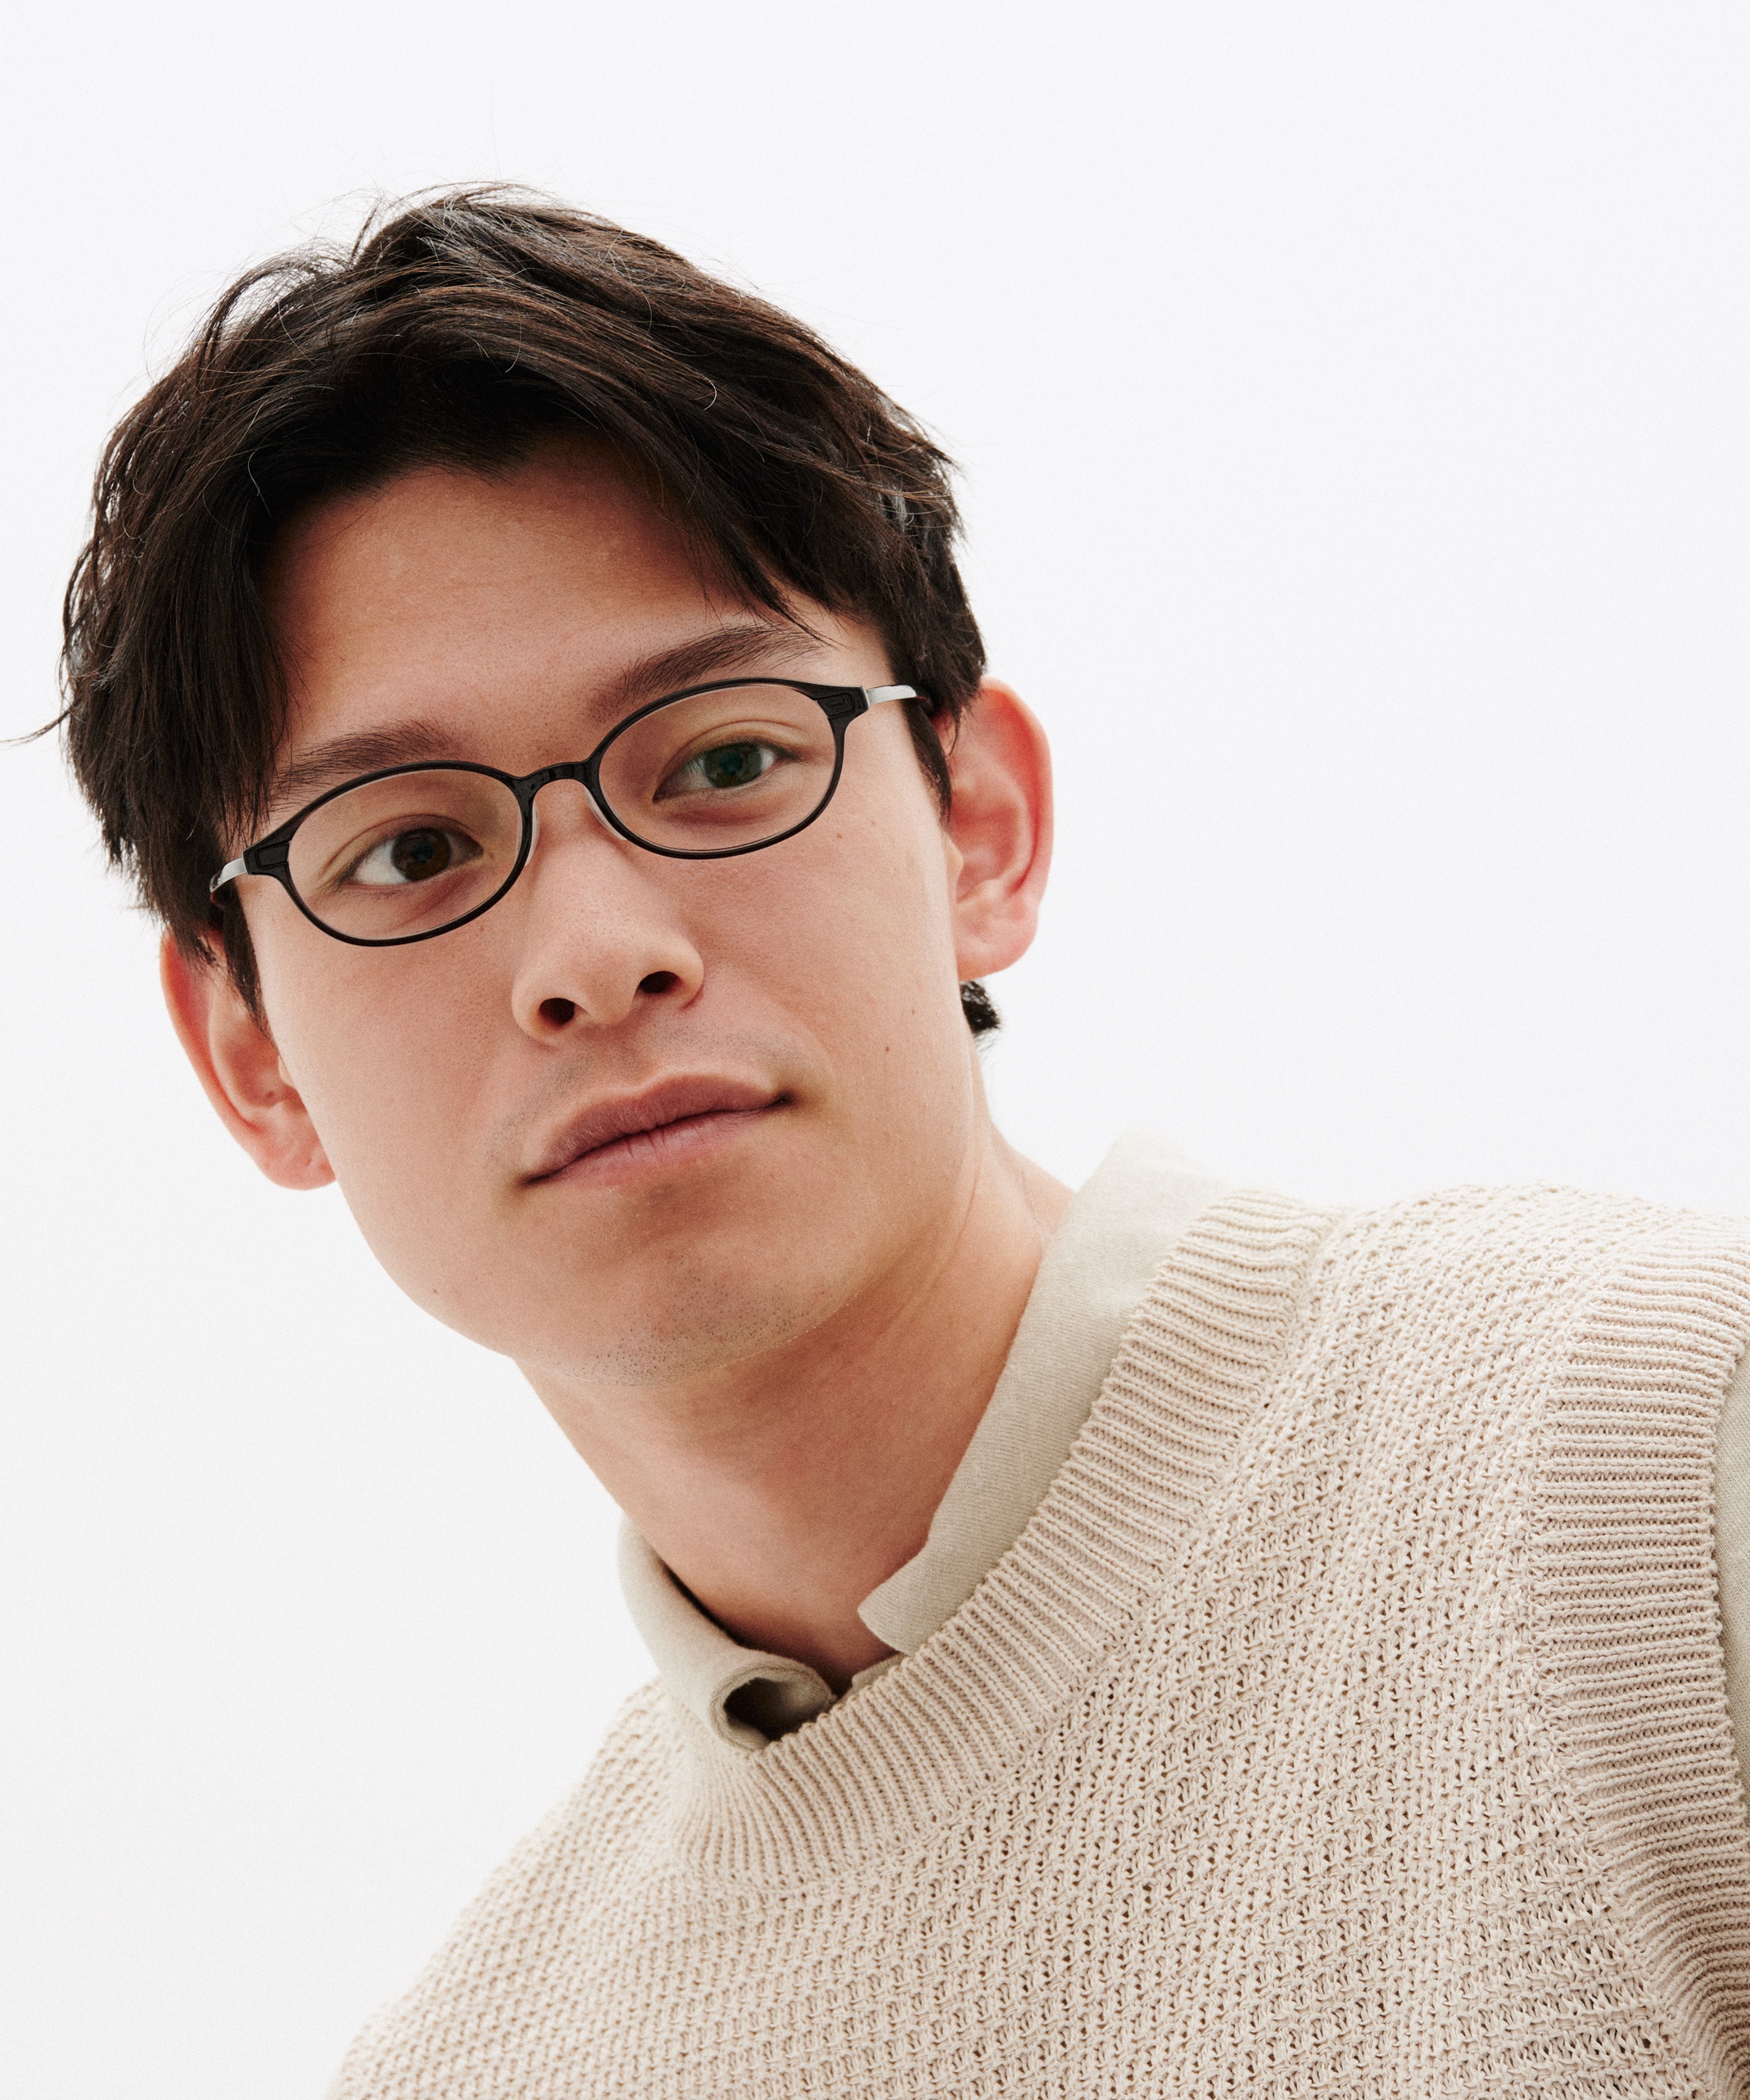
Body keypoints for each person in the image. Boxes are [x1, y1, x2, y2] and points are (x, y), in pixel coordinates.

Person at [57, 188, 1750, 2097]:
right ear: (249, 1055)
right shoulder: (477, 2063)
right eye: (411, 850)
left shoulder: (1660, 1461)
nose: (597, 953)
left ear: (977, 828)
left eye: (723, 759)